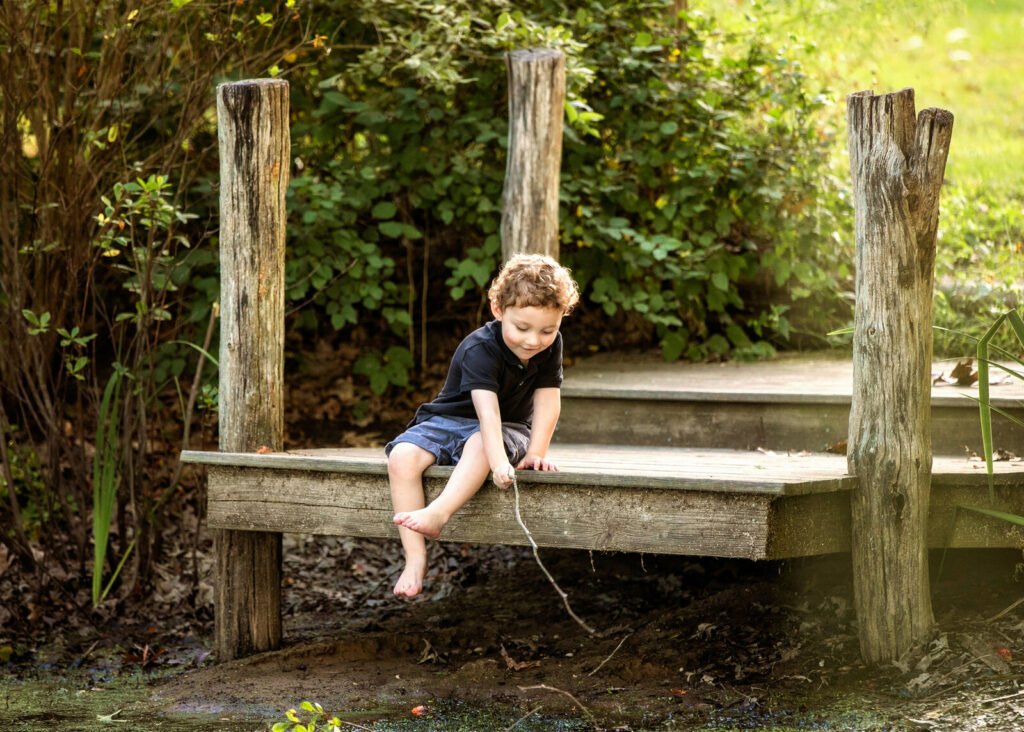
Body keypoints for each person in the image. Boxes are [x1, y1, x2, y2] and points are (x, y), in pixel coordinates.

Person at [385, 253, 580, 597]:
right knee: (401, 456)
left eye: (547, 330)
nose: (534, 341)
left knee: (480, 445)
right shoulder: (480, 348)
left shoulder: (551, 347)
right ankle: (414, 558)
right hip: (450, 419)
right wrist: (498, 462)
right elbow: (484, 410)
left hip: (509, 425)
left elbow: (548, 400)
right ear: (498, 311)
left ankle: (438, 513)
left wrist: (535, 452)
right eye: (522, 328)